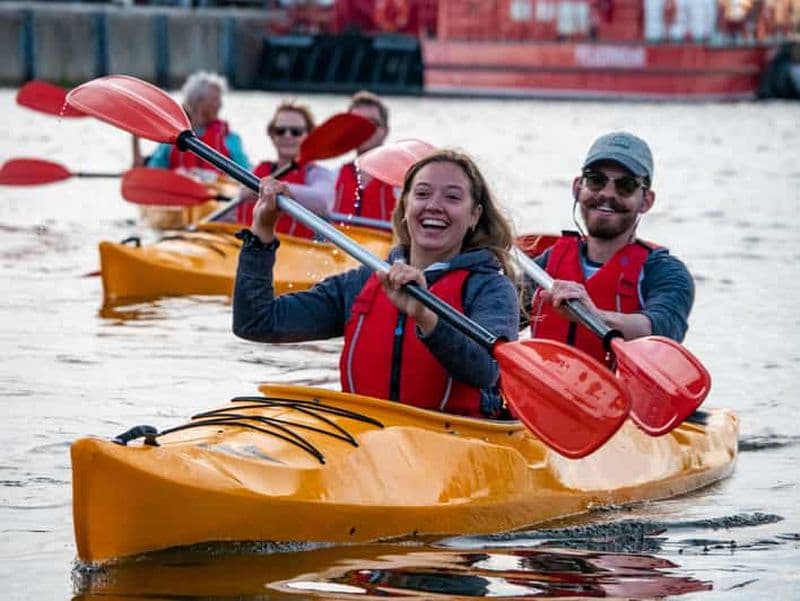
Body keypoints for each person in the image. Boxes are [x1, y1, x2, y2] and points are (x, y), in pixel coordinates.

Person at [233, 150, 520, 418]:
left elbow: (488, 371)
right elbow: (257, 323)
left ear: (474, 215)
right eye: (422, 194)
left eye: (453, 198)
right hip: (364, 439)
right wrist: (262, 233)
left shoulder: (491, 289)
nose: (434, 206)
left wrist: (426, 317)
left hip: (455, 444)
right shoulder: (361, 283)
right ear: (405, 206)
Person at [526, 131, 694, 366]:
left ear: (646, 200)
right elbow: (497, 317)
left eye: (625, 186)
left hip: (618, 401)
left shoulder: (666, 273)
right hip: (541, 396)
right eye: (596, 180)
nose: (607, 194)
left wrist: (595, 316)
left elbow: (661, 332)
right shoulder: (543, 266)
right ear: (577, 188)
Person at [233, 101, 335, 234]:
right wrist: (240, 194)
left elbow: (323, 201)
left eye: (296, 132)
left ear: (309, 136)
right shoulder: (258, 171)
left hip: (297, 248)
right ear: (272, 135)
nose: (287, 136)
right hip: (249, 246)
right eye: (280, 131)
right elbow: (235, 205)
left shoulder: (316, 173)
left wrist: (283, 189)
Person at [133, 71, 250, 178]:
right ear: (197, 102)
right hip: (180, 193)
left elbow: (246, 172)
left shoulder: (230, 138)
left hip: (220, 195)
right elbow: (154, 172)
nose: (220, 105)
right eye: (215, 100)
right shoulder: (173, 139)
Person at [333, 91, 398, 221]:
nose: (365, 129)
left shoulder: (404, 182)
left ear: (385, 131)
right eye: (358, 124)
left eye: (372, 123)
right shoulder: (331, 178)